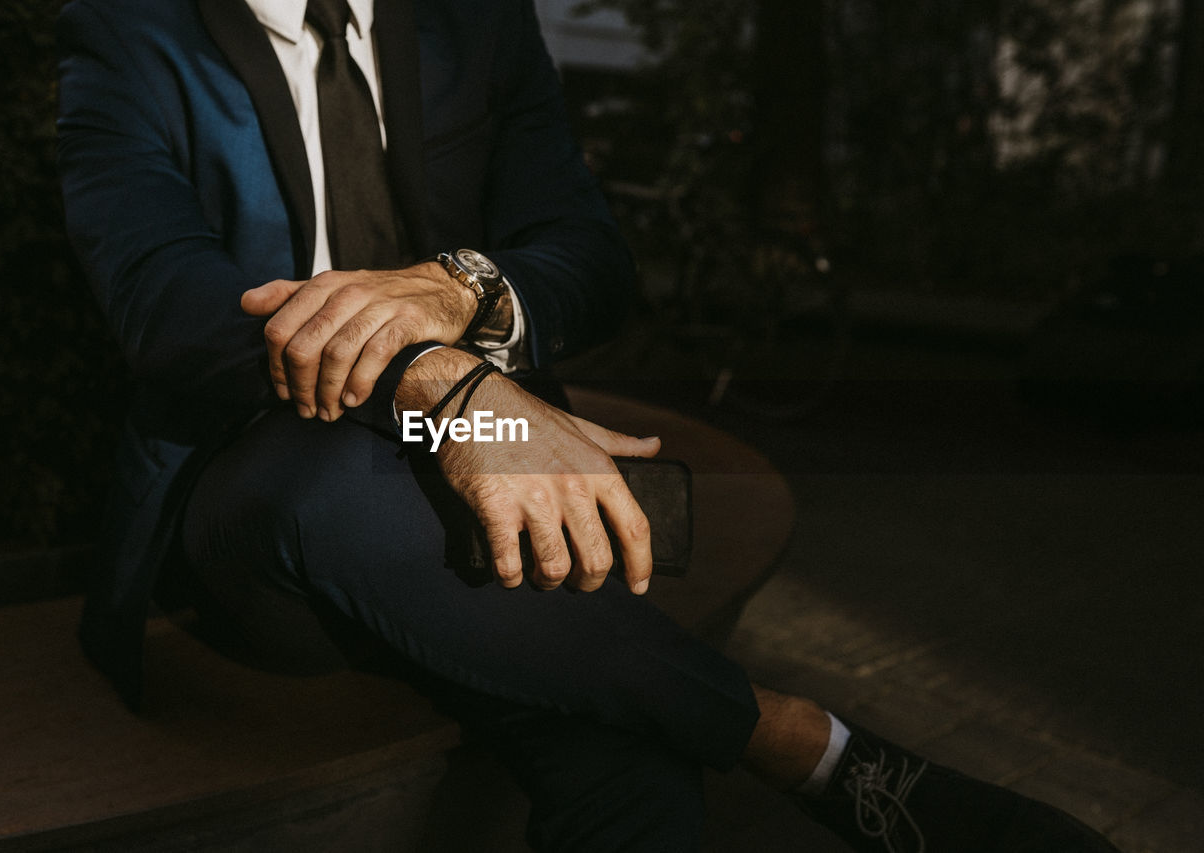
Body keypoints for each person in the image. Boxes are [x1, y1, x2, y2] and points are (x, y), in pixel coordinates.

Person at [56, 1, 1120, 850]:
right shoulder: (128, 30)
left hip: (473, 466)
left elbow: (588, 254)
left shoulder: (476, 19)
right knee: (322, 475)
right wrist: (436, 380)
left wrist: (462, 289)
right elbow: (164, 301)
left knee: (618, 762)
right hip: (266, 484)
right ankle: (790, 740)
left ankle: (815, 755)